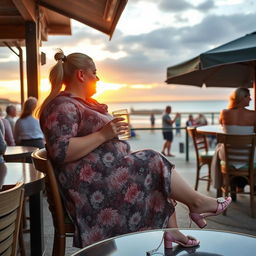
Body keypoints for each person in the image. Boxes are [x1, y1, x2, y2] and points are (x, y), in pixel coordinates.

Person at [37, 50, 231, 248]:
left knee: (152, 168)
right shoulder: (62, 106)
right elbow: (61, 151)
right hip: (93, 192)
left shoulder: (80, 104)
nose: (98, 77)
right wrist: (104, 134)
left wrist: (111, 137)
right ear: (81, 75)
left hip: (106, 178)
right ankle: (196, 204)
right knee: (152, 161)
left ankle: (172, 230)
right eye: (94, 72)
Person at [212, 87, 256, 194]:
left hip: (228, 157)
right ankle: (251, 185)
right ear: (243, 97)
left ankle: (223, 185)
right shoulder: (254, 115)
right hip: (248, 157)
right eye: (249, 96)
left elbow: (222, 127)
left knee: (218, 148)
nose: (251, 99)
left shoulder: (224, 113)